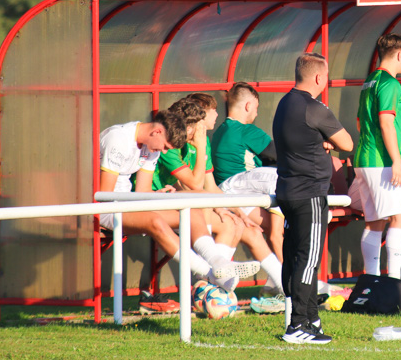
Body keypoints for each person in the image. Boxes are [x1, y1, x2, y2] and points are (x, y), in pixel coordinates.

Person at [98, 111, 259, 294]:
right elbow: (106, 196)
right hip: (106, 208)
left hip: (128, 204)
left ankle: (218, 262)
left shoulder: (152, 145)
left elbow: (142, 192)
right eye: (165, 146)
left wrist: (159, 195)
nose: (164, 152)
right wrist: (157, 200)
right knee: (155, 222)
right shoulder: (118, 139)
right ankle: (210, 274)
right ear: (157, 132)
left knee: (192, 212)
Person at [155, 96, 283, 295]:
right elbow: (195, 186)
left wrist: (237, 212)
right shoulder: (174, 143)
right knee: (215, 212)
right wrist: (199, 147)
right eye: (212, 111)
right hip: (170, 205)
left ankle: (282, 284)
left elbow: (211, 187)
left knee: (247, 227)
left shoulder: (202, 140)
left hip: (191, 204)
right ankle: (211, 278)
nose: (216, 115)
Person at [273, 52, 353, 344]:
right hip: (309, 194)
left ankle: (310, 319)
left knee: (295, 257)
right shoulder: (314, 107)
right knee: (308, 260)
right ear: (319, 78)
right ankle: (297, 326)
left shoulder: (284, 103)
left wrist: (318, 141)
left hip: (288, 191)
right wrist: (327, 141)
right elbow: (347, 143)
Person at [210, 84, 286, 293]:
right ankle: (289, 276)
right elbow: (280, 156)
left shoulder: (219, 131)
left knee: (268, 227)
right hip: (238, 186)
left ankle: (274, 285)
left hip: (234, 195)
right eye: (256, 108)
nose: (257, 113)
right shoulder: (245, 130)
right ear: (248, 105)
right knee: (287, 178)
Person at [353, 34, 401, 279]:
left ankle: (372, 280)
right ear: (399, 54)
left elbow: (359, 123)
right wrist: (396, 161)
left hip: (363, 159)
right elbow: (387, 124)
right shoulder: (390, 83)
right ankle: (394, 281)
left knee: (374, 222)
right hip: (381, 162)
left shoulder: (369, 81)